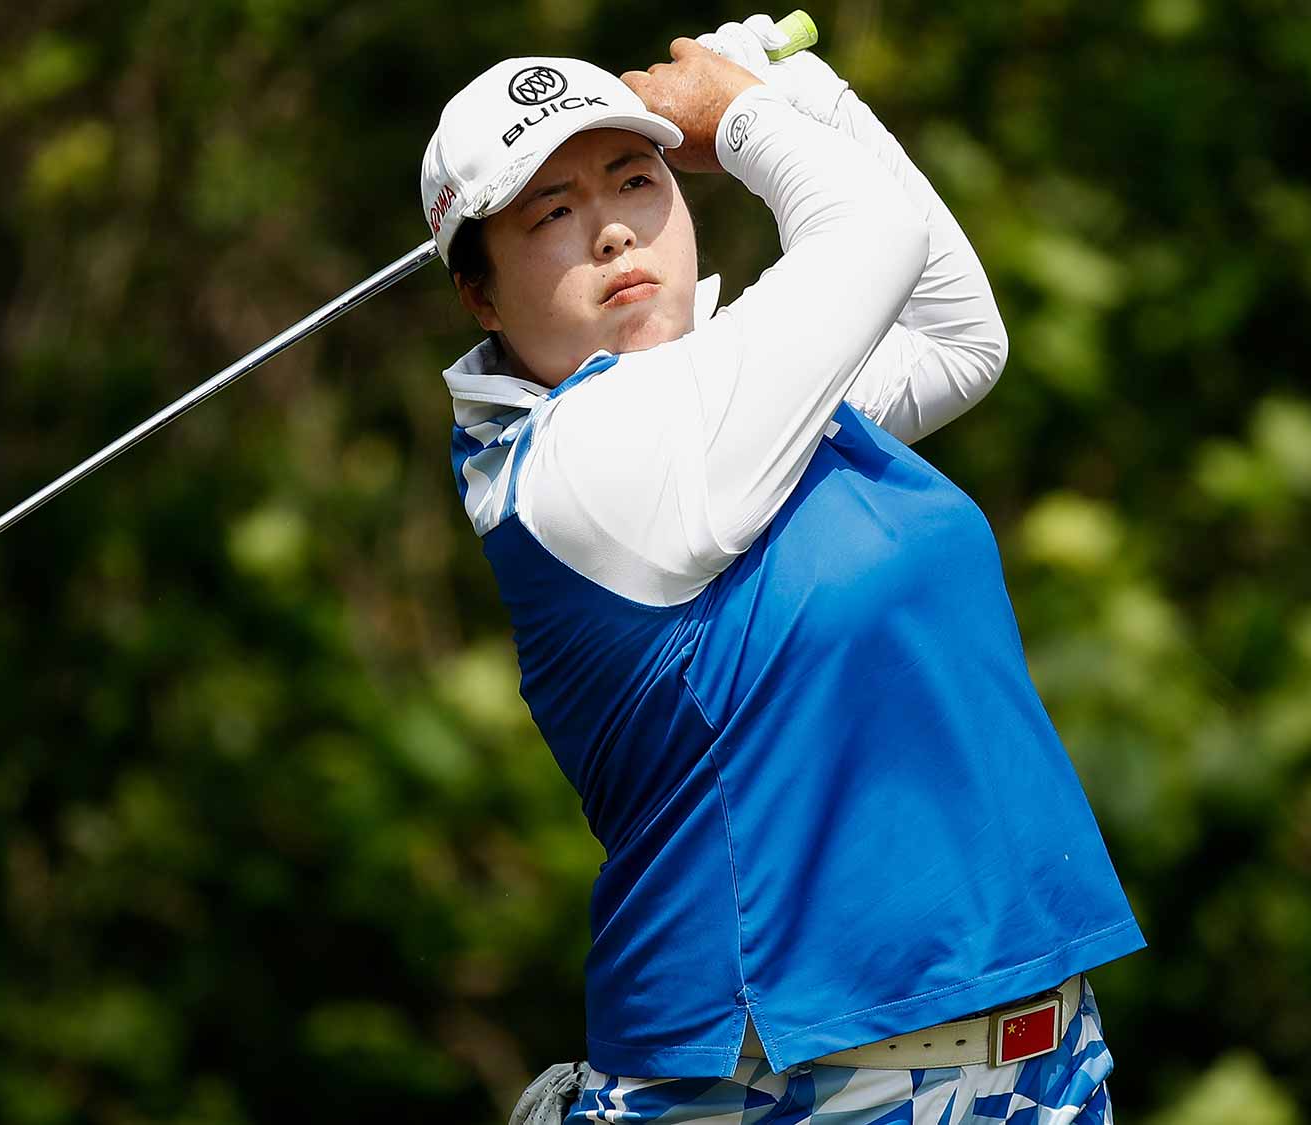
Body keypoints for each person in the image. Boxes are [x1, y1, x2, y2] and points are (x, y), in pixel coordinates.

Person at [418, 17, 1144, 1124]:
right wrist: (747, 117)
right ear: (479, 295)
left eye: (634, 179)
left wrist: (799, 90)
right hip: (788, 1090)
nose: (612, 233)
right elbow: (869, 242)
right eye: (550, 216)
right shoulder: (583, 459)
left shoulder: (746, 407)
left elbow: (956, 334)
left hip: (1028, 1060)